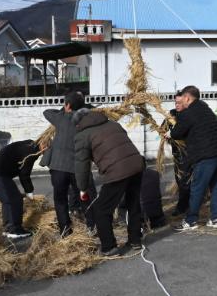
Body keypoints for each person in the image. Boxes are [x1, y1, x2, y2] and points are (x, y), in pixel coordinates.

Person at [74, 106, 145, 256]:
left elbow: (82, 166)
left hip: (117, 170)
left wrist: (82, 189)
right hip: (137, 164)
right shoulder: (113, 124)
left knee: (101, 209)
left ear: (79, 123)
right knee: (133, 203)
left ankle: (109, 247)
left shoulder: (82, 135)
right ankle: (135, 240)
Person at [170, 85, 217, 231]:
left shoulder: (188, 113)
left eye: (182, 98)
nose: (180, 101)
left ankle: (191, 221)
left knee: (197, 188)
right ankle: (215, 218)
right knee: (216, 186)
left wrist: (170, 134)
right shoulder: (204, 108)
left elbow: (177, 132)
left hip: (206, 155)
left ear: (188, 98)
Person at [41, 90, 97, 236]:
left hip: (58, 167)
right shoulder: (86, 120)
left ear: (67, 105)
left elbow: (46, 112)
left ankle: (65, 230)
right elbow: (97, 111)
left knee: (60, 200)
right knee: (85, 196)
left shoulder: (60, 118)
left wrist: (64, 110)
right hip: (78, 168)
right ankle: (92, 226)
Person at [0, 138, 40, 239]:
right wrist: (29, 191)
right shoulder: (32, 153)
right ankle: (14, 230)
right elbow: (24, 174)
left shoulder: (29, 144)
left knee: (9, 200)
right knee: (14, 200)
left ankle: (8, 229)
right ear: (45, 146)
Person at [167, 91, 191, 216]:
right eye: (175, 102)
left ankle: (183, 207)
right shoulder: (172, 114)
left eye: (179, 102)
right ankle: (185, 205)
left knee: (185, 181)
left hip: (189, 153)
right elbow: (164, 128)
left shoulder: (189, 115)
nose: (176, 105)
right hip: (177, 154)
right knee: (179, 180)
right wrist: (166, 135)